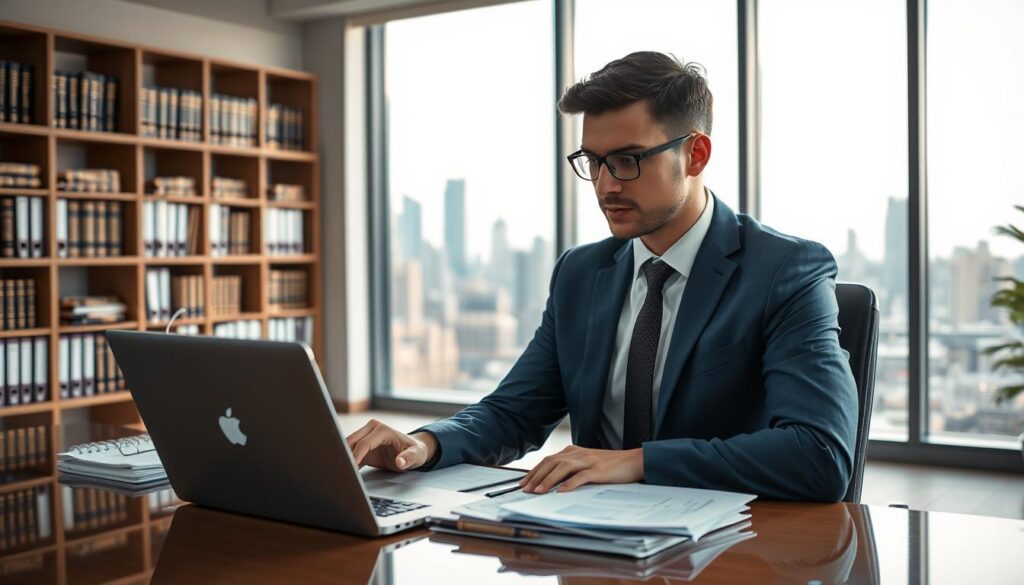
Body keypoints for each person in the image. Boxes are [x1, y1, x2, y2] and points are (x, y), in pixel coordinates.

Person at [347, 51, 858, 501]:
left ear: (695, 154)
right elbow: (514, 412)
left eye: (628, 160)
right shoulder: (580, 272)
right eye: (593, 162)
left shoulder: (785, 270)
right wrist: (424, 444)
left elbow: (820, 454)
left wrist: (635, 463)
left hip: (727, 552)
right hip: (590, 541)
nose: (606, 185)